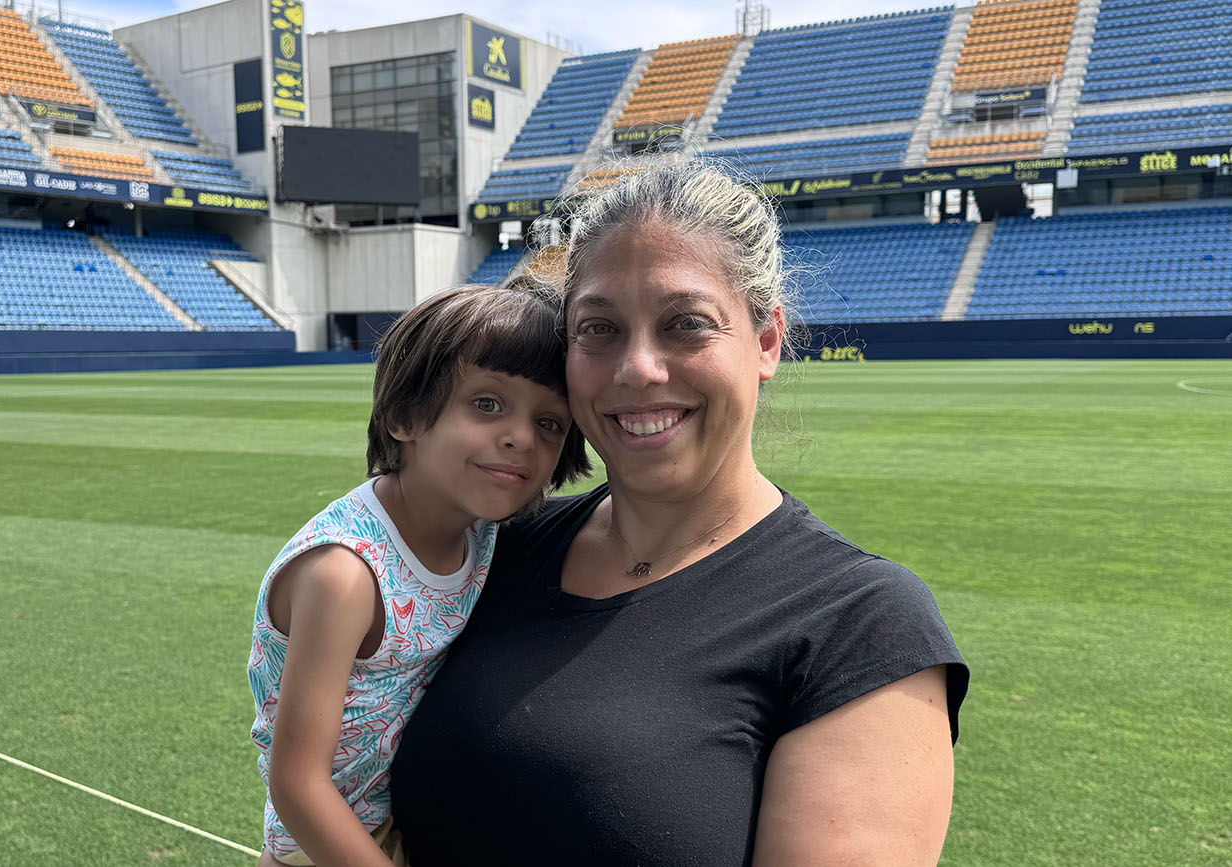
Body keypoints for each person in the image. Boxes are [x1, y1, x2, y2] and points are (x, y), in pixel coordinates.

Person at [388, 162, 969, 866]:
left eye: (686, 324)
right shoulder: (493, 548)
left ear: (765, 341)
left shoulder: (860, 624)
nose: (638, 367)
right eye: (599, 328)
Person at [248, 282, 590, 867]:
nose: (521, 437)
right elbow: (298, 785)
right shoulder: (346, 575)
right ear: (405, 414)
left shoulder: (484, 531)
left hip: (415, 817)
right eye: (488, 404)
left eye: (550, 423)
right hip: (331, 845)